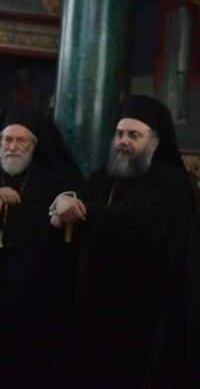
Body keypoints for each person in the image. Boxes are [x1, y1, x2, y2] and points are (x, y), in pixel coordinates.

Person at [51, 95, 194, 389]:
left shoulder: (173, 183)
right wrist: (62, 203)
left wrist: (81, 210)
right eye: (119, 134)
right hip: (94, 306)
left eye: (133, 135)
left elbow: (138, 217)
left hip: (145, 309)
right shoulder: (105, 176)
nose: (123, 141)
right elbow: (74, 200)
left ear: (154, 143)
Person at [0, 104, 81, 388]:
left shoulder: (53, 182)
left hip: (33, 305)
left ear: (34, 145)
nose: (12, 146)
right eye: (7, 139)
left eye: (22, 140)